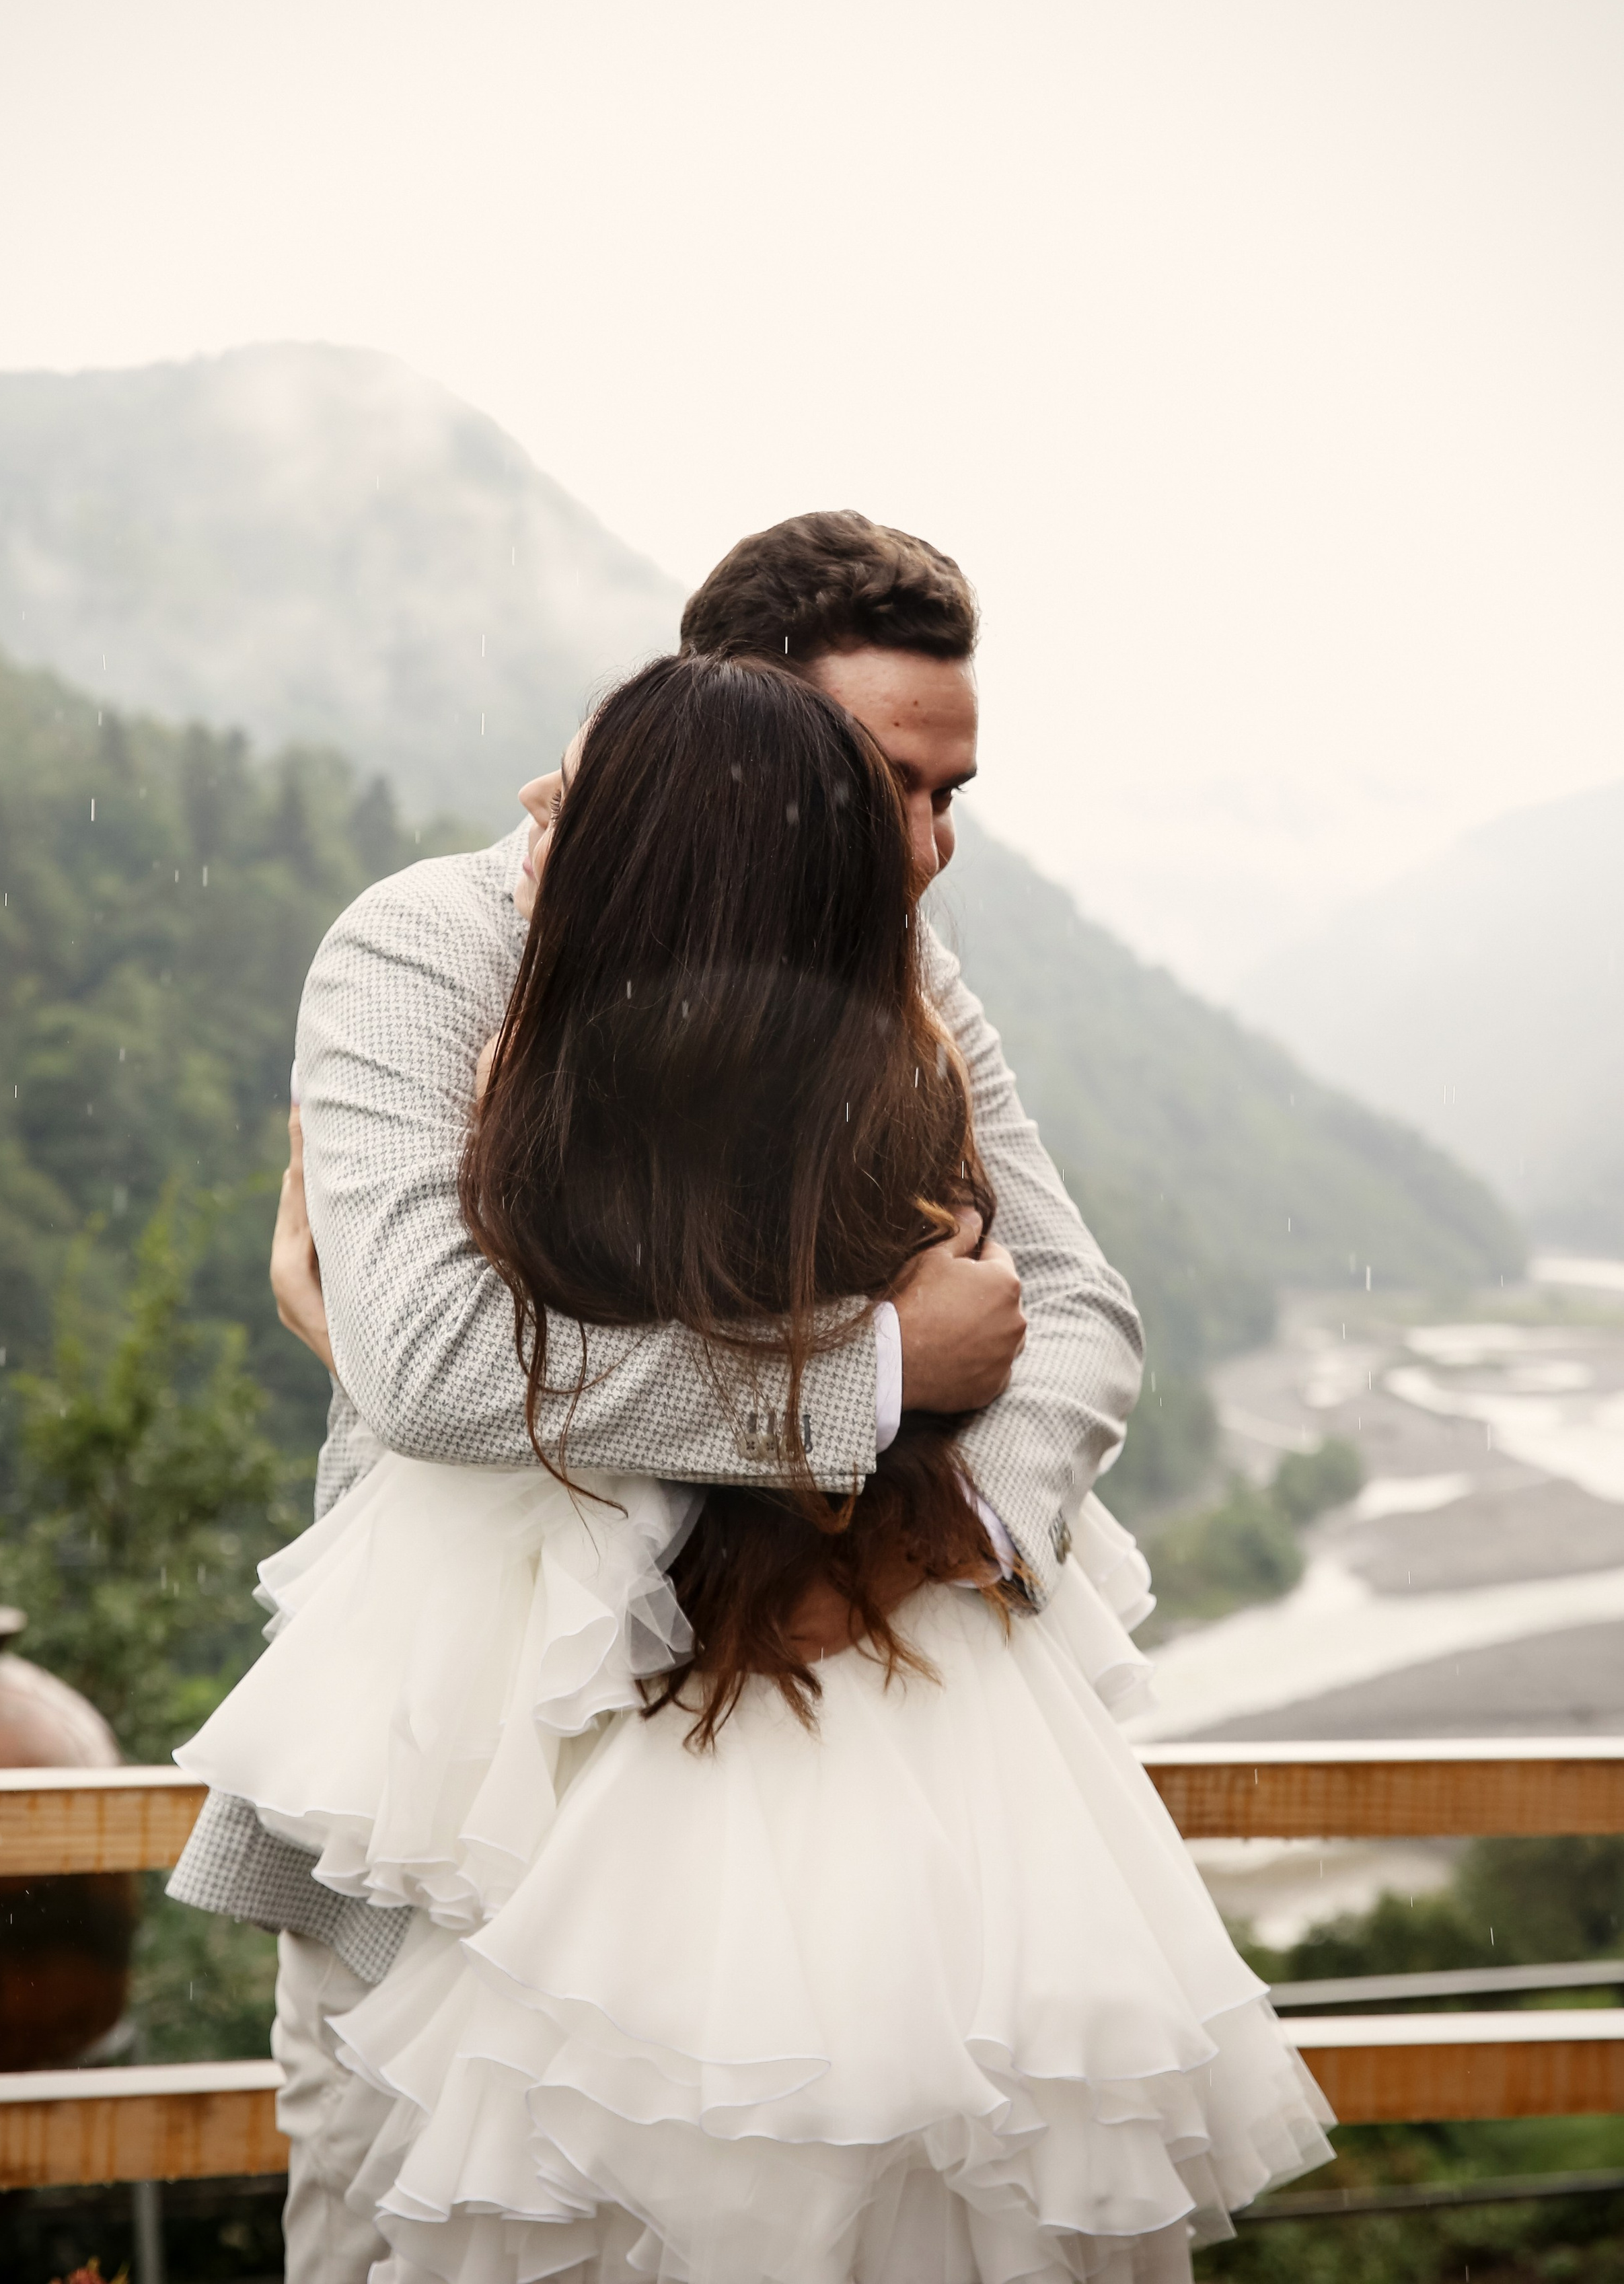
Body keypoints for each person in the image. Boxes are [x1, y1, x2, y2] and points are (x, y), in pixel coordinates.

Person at [178, 649, 1332, 2281]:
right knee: (408, 2202)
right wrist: (866, 1374)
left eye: (943, 799)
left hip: (823, 1729)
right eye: (882, 791)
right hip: (439, 1788)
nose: (920, 851)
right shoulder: (429, 952)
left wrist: (905, 1537)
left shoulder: (895, 1023)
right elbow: (436, 1366)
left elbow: (1058, 1315)